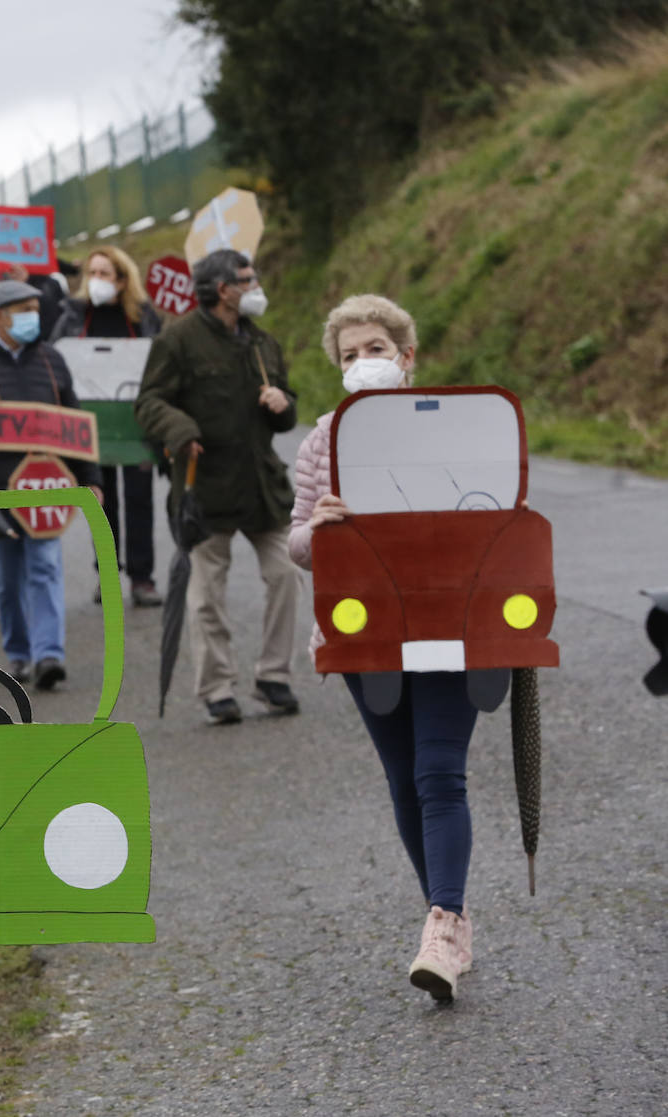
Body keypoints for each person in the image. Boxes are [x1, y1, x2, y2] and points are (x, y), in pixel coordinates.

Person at [288, 293, 477, 1001]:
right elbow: (296, 541)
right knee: (404, 778)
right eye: (348, 355)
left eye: (375, 348)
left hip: (451, 622)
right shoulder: (319, 443)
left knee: (438, 771)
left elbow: (492, 512)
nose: (362, 362)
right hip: (362, 627)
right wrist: (323, 528)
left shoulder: (454, 426)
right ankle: (449, 919)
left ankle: (443, 923)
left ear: (406, 355)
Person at [134, 248, 301, 724]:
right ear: (222, 289)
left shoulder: (262, 342)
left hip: (262, 485)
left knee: (287, 573)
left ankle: (275, 677)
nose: (256, 287)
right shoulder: (178, 339)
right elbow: (148, 402)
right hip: (204, 488)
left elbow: (287, 413)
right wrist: (180, 428)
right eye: (247, 280)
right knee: (207, 593)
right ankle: (217, 688)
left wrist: (282, 403)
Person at [0, 280, 102, 689]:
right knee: (7, 581)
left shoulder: (52, 361)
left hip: (46, 488)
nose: (35, 316)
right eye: (24, 308)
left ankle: (49, 655)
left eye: (35, 307)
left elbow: (74, 425)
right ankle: (20, 654)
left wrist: (90, 479)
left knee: (44, 567)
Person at [52, 246, 164, 609]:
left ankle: (143, 578)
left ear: (121, 279)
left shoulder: (144, 317)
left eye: (104, 273)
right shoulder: (72, 315)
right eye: (92, 273)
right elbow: (56, 359)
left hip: (135, 425)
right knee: (103, 502)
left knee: (139, 499)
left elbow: (160, 362)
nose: (96, 281)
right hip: (90, 427)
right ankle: (108, 576)